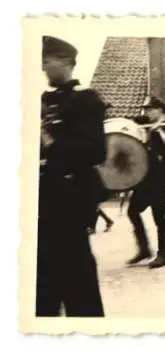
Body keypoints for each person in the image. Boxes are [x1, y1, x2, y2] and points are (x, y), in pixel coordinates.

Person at [38, 36, 106, 316]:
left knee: (77, 280)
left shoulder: (85, 100)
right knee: (42, 286)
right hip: (41, 201)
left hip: (69, 202)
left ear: (66, 62)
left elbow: (95, 151)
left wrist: (51, 142)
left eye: (47, 62)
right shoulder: (42, 100)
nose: (43, 68)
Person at [126, 96, 165, 269]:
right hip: (144, 181)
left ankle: (162, 254)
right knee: (132, 211)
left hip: (159, 181)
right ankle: (144, 249)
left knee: (159, 219)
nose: (147, 112)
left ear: (161, 111)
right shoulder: (143, 127)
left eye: (151, 109)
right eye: (146, 109)